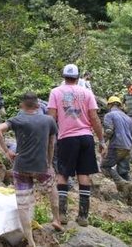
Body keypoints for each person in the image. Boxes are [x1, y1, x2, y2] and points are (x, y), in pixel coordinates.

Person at [0, 92, 62, 246]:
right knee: (52, 189)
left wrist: (7, 151)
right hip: (41, 166)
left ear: (22, 106)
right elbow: (52, 144)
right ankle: (56, 219)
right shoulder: (49, 120)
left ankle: (31, 242)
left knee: (23, 206)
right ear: (38, 105)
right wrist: (49, 164)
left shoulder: (17, 120)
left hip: (21, 167)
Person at [47, 64, 104, 227]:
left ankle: (62, 215)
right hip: (86, 137)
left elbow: (51, 117)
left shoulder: (56, 92)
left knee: (63, 173)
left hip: (66, 138)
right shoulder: (87, 93)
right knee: (84, 174)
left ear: (63, 76)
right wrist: (102, 140)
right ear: (78, 77)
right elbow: (94, 117)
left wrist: (50, 139)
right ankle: (83, 216)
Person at [100, 95, 132, 204]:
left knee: (104, 166)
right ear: (120, 105)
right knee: (123, 171)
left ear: (109, 105)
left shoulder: (109, 115)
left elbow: (109, 131)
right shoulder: (127, 117)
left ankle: (122, 183)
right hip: (128, 147)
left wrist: (102, 143)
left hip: (117, 145)